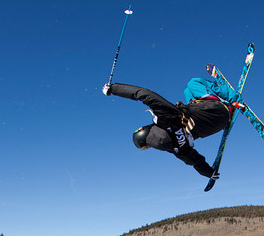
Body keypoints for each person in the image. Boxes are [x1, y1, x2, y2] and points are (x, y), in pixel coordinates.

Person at [102, 77, 239, 179]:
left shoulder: (174, 148)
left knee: (188, 93)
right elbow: (143, 94)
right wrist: (114, 89)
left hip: (220, 123)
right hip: (217, 109)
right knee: (193, 84)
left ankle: (221, 106)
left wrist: (209, 173)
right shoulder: (164, 116)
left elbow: (194, 161)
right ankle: (232, 97)